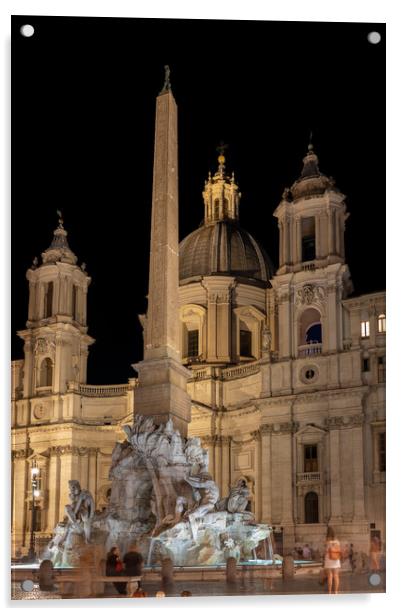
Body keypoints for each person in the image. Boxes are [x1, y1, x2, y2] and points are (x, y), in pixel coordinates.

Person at [323, 527, 342, 594]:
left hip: (329, 560)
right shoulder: (337, 542)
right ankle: (336, 591)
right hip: (336, 559)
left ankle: (330, 592)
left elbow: (325, 551)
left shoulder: (327, 542)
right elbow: (339, 550)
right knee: (336, 576)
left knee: (330, 576)